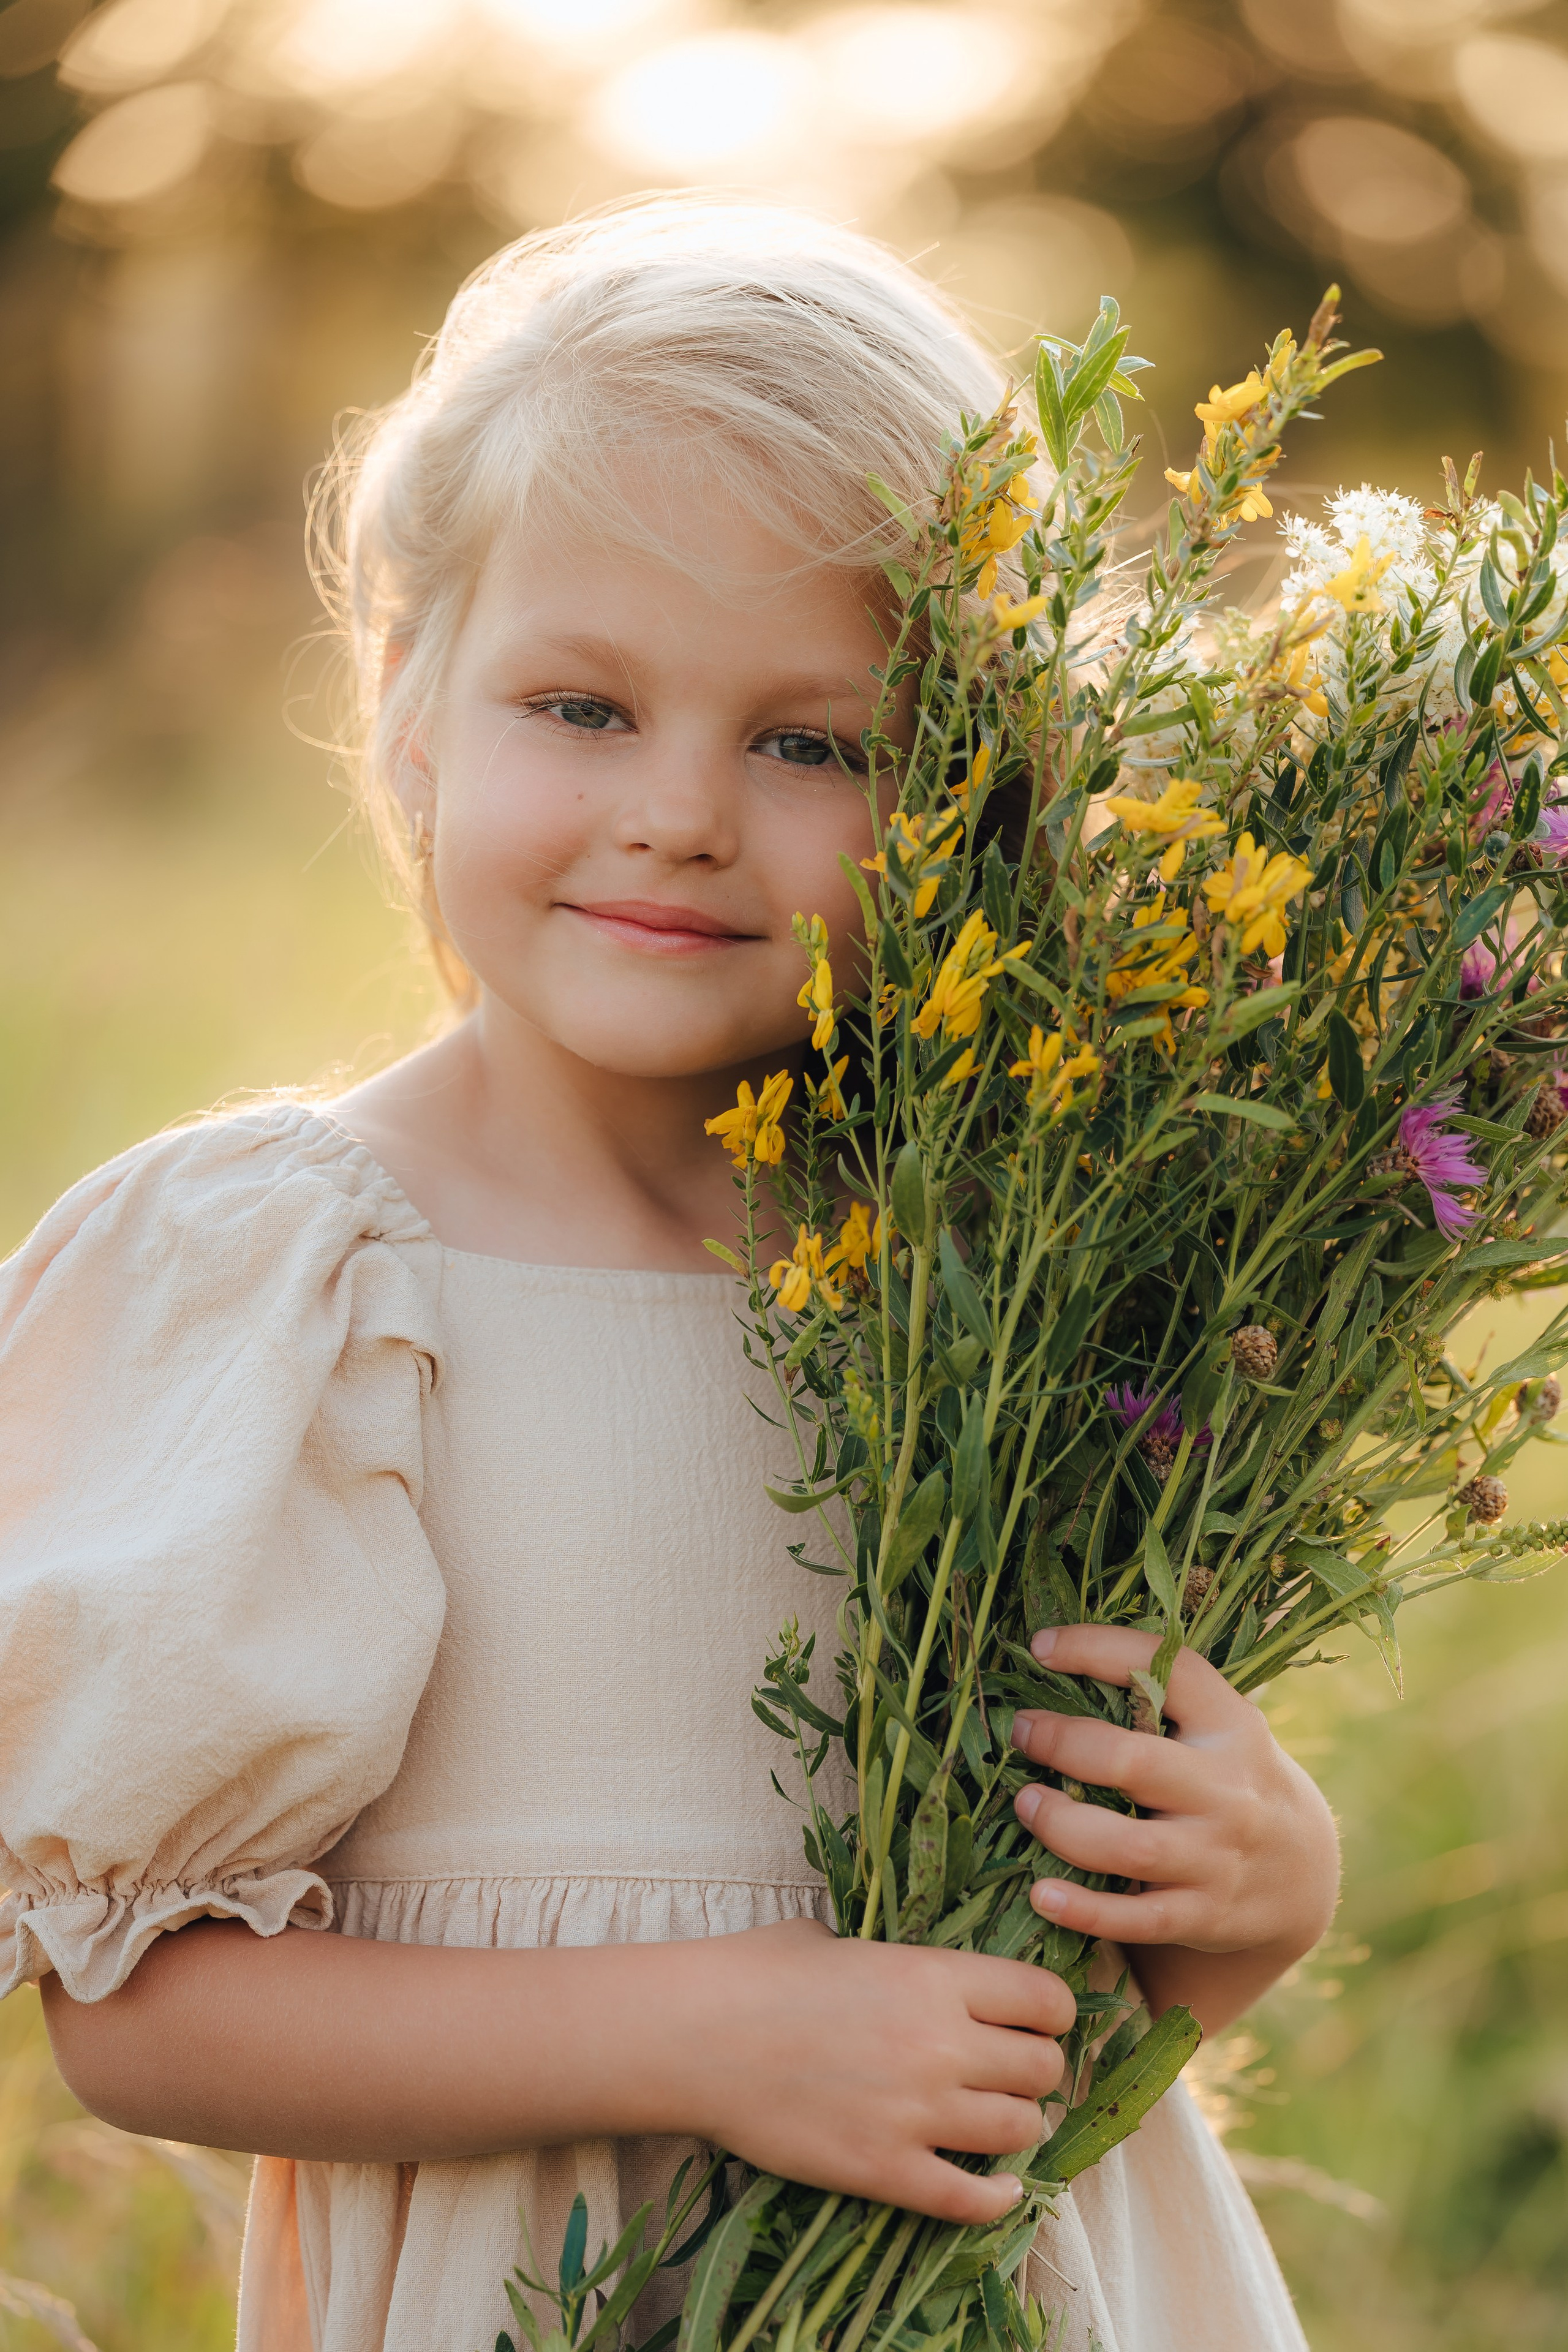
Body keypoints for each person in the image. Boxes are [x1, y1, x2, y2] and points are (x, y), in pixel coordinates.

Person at [0, 197, 1338, 2352]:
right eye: (582, 706)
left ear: (971, 800)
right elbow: (138, 2018)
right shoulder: (301, 1275)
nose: (685, 815)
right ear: (413, 703)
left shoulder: (1011, 1283)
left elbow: (1057, 1992)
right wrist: (709, 2032)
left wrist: (1254, 1898)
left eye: (814, 744)